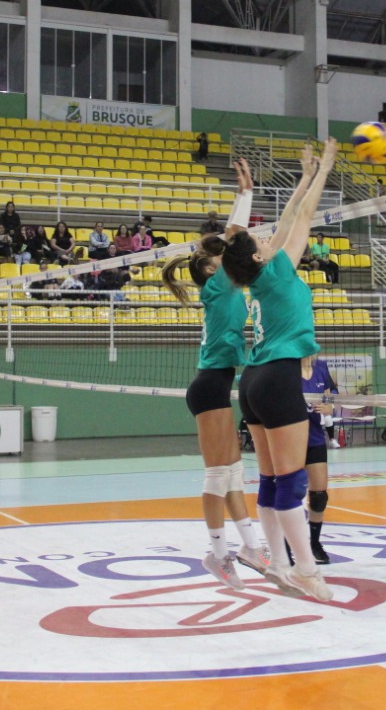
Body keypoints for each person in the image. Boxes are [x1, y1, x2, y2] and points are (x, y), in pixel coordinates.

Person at [220, 138, 340, 602]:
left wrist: (306, 175)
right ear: (258, 257)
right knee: (291, 481)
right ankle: (307, 571)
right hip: (276, 376)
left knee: (272, 480)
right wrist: (326, 168)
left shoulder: (260, 275)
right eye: (262, 240)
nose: (271, 237)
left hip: (252, 381)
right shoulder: (278, 271)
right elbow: (303, 219)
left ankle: (276, 561)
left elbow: (289, 219)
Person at [162, 159, 269, 591]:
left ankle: (249, 546)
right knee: (216, 476)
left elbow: (232, 248)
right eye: (218, 261)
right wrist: (244, 196)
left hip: (219, 384)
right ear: (210, 270)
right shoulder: (217, 284)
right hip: (208, 386)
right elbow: (232, 241)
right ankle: (217, 555)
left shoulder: (228, 287)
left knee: (232, 473)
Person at [301, 354, 338, 565]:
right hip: (290, 438)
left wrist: (329, 406)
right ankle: (286, 544)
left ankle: (314, 543)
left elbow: (333, 393)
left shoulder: (321, 367)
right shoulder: (287, 366)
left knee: (319, 495)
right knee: (290, 493)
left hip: (314, 438)